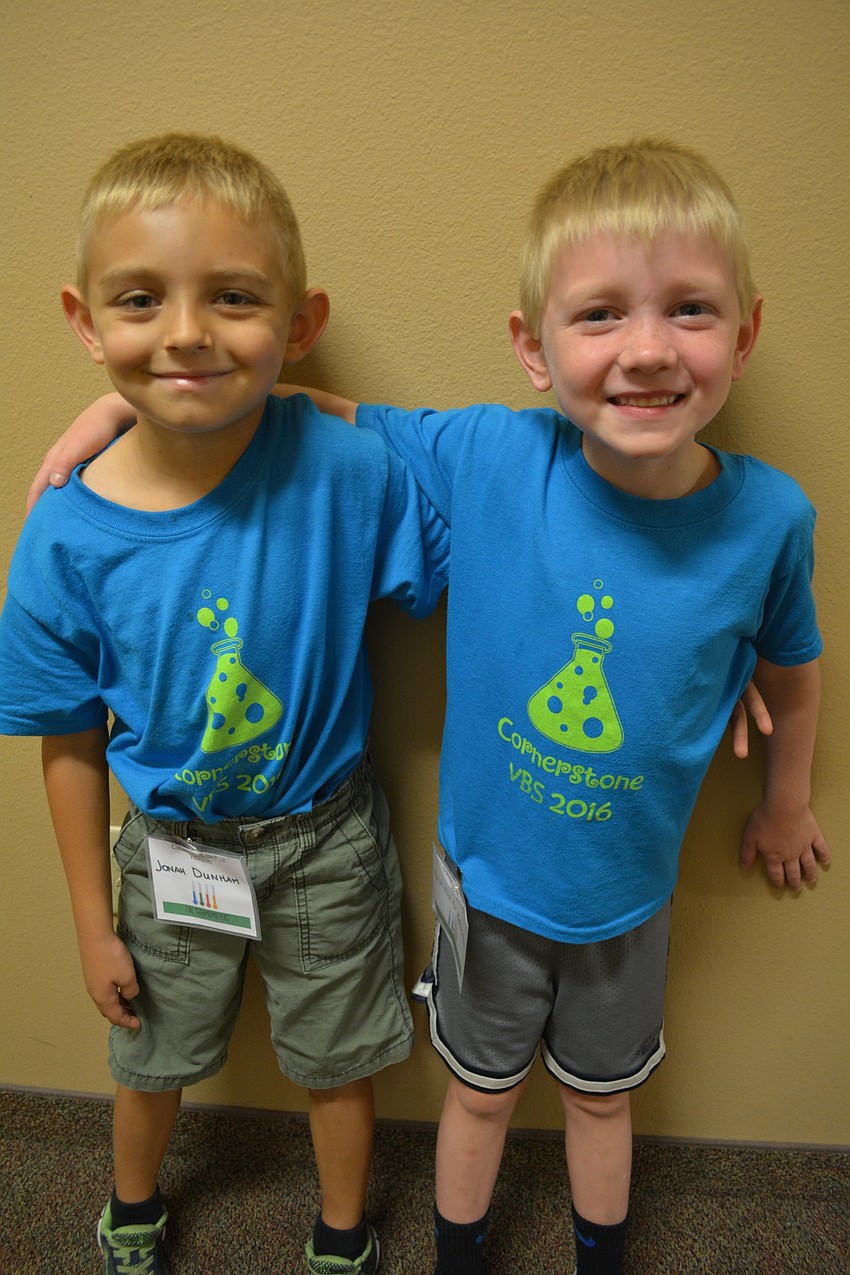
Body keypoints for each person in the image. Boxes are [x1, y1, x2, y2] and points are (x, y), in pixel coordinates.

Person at [27, 138, 828, 1275]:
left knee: (600, 1104)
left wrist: (780, 785)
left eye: (689, 311)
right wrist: (107, 416)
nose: (647, 350)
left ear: (743, 333)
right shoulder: (494, 454)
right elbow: (295, 405)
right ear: (532, 351)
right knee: (472, 1091)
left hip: (628, 899)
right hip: (482, 886)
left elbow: (791, 658)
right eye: (600, 315)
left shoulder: (771, 521)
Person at [0, 132, 448, 1275]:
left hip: (326, 845)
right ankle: (133, 1208)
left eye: (234, 298)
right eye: (142, 299)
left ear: (298, 322)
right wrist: (93, 923)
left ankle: (341, 1235)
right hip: (165, 855)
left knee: (337, 1060)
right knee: (150, 1055)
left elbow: (499, 536)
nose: (188, 332)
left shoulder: (348, 474)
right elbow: (65, 743)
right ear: (85, 320)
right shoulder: (63, 534)